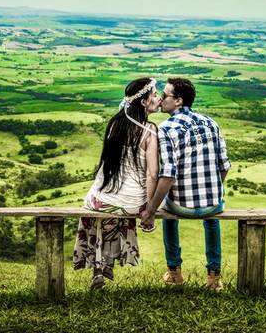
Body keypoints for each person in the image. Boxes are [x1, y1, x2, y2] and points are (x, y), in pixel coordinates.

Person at [141, 78, 230, 292]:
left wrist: (150, 211)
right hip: (212, 205)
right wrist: (212, 191)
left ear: (178, 101)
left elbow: (168, 175)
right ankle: (214, 278)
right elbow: (224, 166)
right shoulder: (211, 122)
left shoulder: (166, 128)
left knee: (166, 207)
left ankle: (174, 273)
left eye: (165, 95)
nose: (161, 99)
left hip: (181, 207)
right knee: (212, 219)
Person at [73, 77, 160, 290]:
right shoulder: (150, 130)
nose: (158, 98)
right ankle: (108, 263)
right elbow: (152, 174)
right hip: (133, 204)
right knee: (120, 206)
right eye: (155, 95)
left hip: (102, 201)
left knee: (101, 206)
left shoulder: (115, 124)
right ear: (143, 102)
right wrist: (149, 209)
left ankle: (98, 268)